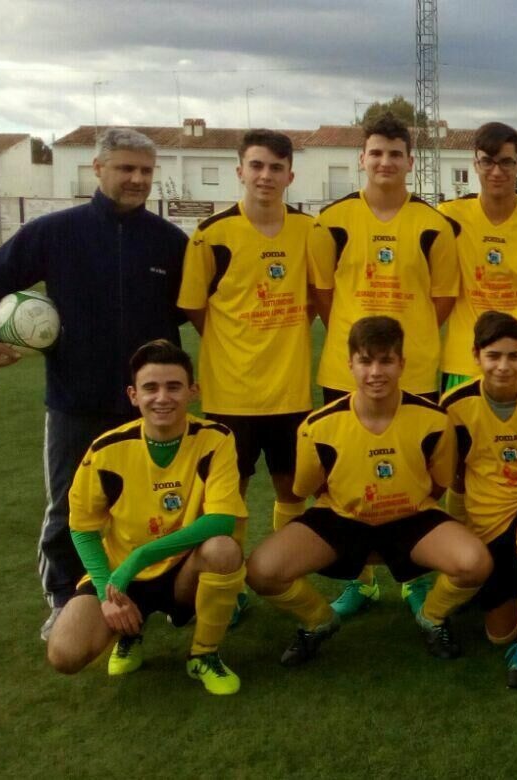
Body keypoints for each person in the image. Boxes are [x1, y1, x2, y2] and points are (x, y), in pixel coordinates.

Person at [0, 127, 188, 640]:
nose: (137, 179)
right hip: (76, 401)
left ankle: (163, 595)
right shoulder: (55, 233)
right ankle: (65, 600)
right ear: (98, 169)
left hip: (151, 407)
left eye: (145, 172)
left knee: (157, 503)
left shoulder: (168, 242)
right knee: (70, 506)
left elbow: (195, 308)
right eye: (126, 169)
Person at [244, 316, 492, 664]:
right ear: (350, 364)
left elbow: (438, 484)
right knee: (260, 570)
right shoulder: (318, 426)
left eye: (386, 360)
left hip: (412, 518)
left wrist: (400, 502)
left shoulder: (434, 421)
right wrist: (354, 505)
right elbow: (307, 489)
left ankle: (433, 617)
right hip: (341, 519)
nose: (376, 372)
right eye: (365, 360)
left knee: (475, 563)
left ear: (402, 363)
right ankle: (319, 621)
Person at [308, 114, 460, 616]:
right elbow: (324, 294)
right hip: (344, 373)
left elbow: (441, 298)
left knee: (414, 480)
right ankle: (361, 577)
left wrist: (406, 339)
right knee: (343, 482)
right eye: (376, 153)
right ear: (362, 159)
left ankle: (412, 575)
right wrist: (360, 350)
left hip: (412, 374)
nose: (385, 162)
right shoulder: (332, 220)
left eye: (395, 153)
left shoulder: (434, 225)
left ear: (410, 162)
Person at [45, 340, 247, 695]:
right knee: (64, 654)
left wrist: (140, 557)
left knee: (223, 549)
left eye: (173, 386)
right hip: (119, 575)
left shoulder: (216, 439)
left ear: (193, 391)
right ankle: (129, 631)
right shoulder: (106, 450)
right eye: (150, 388)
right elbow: (82, 528)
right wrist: (108, 591)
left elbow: (221, 521)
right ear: (133, 395)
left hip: (180, 571)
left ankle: (203, 654)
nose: (162, 398)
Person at [178, 129, 314, 536]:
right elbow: (193, 305)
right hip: (231, 392)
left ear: (290, 175)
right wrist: (232, 341)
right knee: (228, 493)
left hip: (290, 390)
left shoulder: (310, 230)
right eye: (256, 165)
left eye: (276, 167)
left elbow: (319, 298)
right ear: (240, 171)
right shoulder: (211, 233)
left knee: (292, 490)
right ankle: (230, 581)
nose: (265, 175)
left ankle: (284, 576)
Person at [440, 311, 517, 687]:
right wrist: (461, 537)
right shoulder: (453, 406)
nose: (503, 366)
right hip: (487, 522)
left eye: (513, 356)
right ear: (476, 356)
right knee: (498, 634)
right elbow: (455, 478)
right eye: (494, 356)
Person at [438, 121, 517, 392]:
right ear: (475, 164)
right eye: (488, 162)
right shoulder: (449, 216)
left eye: (506, 162)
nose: (496, 171)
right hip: (464, 362)